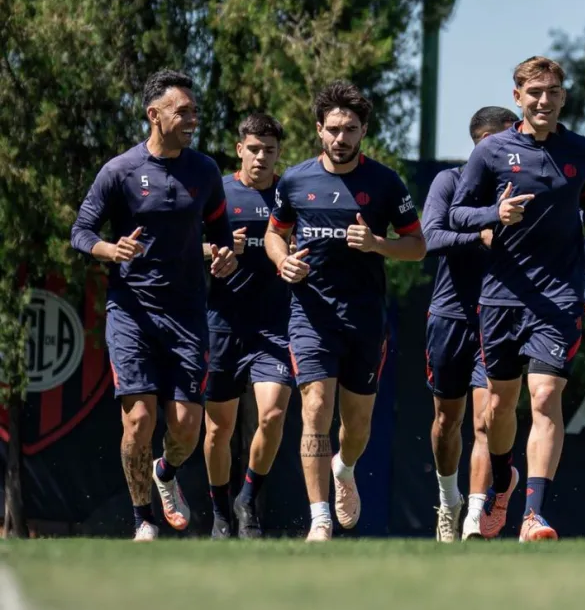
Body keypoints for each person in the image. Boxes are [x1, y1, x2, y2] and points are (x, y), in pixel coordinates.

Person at [449, 56, 585, 542]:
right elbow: (458, 214)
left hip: (559, 296)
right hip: (502, 296)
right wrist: (495, 213)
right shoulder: (490, 154)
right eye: (534, 93)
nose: (543, 101)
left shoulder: (583, 152)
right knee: (497, 410)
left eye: (552, 92)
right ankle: (503, 479)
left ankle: (533, 515)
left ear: (563, 97)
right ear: (517, 98)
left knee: (545, 397)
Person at [70, 69, 237, 541]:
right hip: (132, 312)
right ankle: (143, 518)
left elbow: (220, 232)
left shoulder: (204, 171)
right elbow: (80, 232)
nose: (191, 120)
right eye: (181, 111)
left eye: (194, 112)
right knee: (139, 418)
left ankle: (166, 472)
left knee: (185, 427)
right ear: (154, 115)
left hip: (187, 313)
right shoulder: (119, 171)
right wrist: (111, 249)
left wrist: (223, 256)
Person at [265, 80, 426, 542]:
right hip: (311, 316)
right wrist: (282, 260)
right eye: (333, 128)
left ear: (363, 132)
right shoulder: (294, 180)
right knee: (315, 407)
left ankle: (345, 466)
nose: (341, 138)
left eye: (350, 129)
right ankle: (319, 518)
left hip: (365, 319)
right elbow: (276, 233)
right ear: (319, 130)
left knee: (355, 426)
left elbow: (417, 246)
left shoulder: (384, 182)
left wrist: (378, 244)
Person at [422, 106, 518, 542]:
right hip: (450, 316)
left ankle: (475, 518)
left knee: (486, 419)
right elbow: (429, 236)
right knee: (447, 420)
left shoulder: (521, 189)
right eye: (499, 142)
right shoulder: (451, 181)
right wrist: (478, 233)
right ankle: (449, 499)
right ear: (482, 142)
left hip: (498, 317)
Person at [202, 113, 295, 539]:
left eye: (269, 151)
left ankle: (247, 500)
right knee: (218, 429)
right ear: (240, 148)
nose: (261, 157)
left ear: (279, 154)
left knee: (273, 413)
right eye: (253, 149)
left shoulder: (289, 194)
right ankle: (221, 512)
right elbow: (184, 244)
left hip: (275, 327)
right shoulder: (218, 191)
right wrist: (217, 250)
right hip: (222, 326)